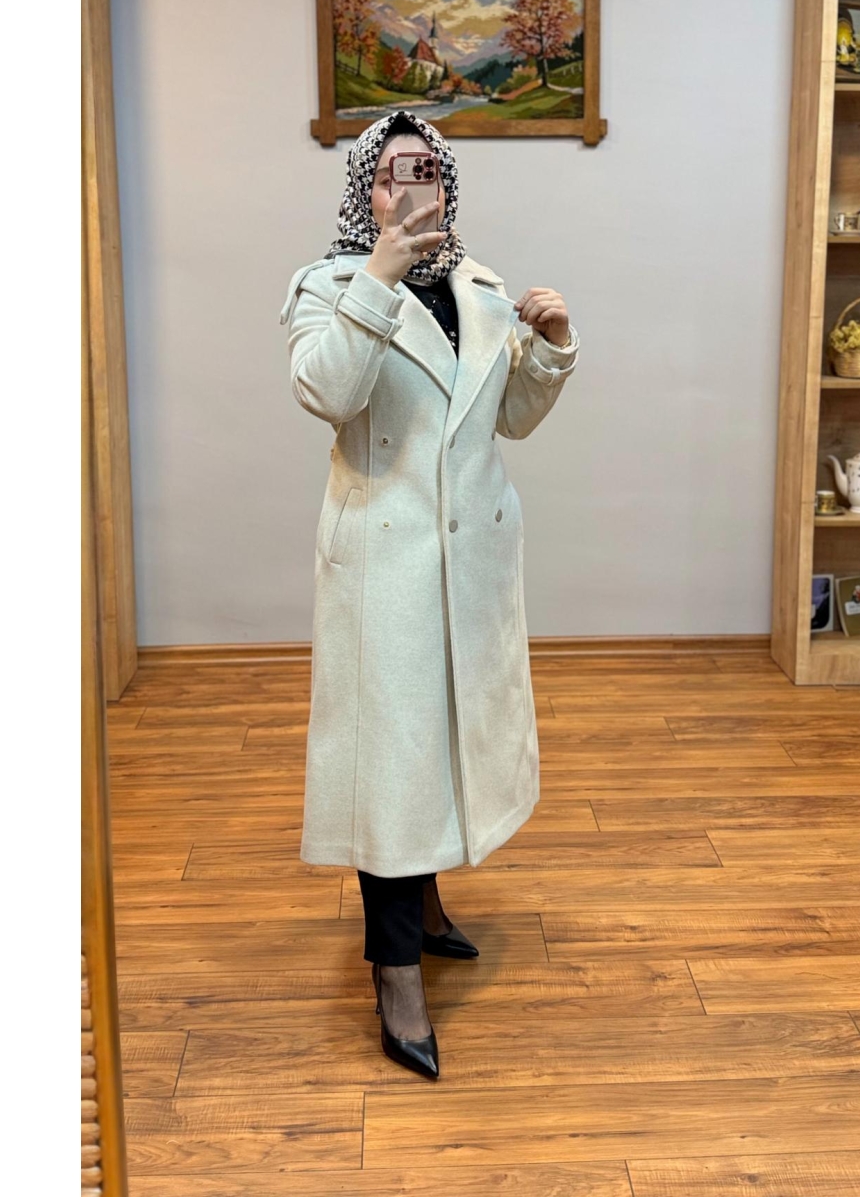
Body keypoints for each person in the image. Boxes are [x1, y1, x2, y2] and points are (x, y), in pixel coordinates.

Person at [278, 109, 580, 1078]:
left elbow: (509, 421)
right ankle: (395, 974)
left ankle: (432, 904)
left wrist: (552, 345)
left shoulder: (480, 289)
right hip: (387, 561)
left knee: (448, 735)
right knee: (393, 762)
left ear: (447, 186)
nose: (410, 187)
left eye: (427, 171)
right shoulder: (329, 287)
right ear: (363, 191)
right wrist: (377, 276)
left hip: (474, 555)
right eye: (390, 173)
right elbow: (327, 394)